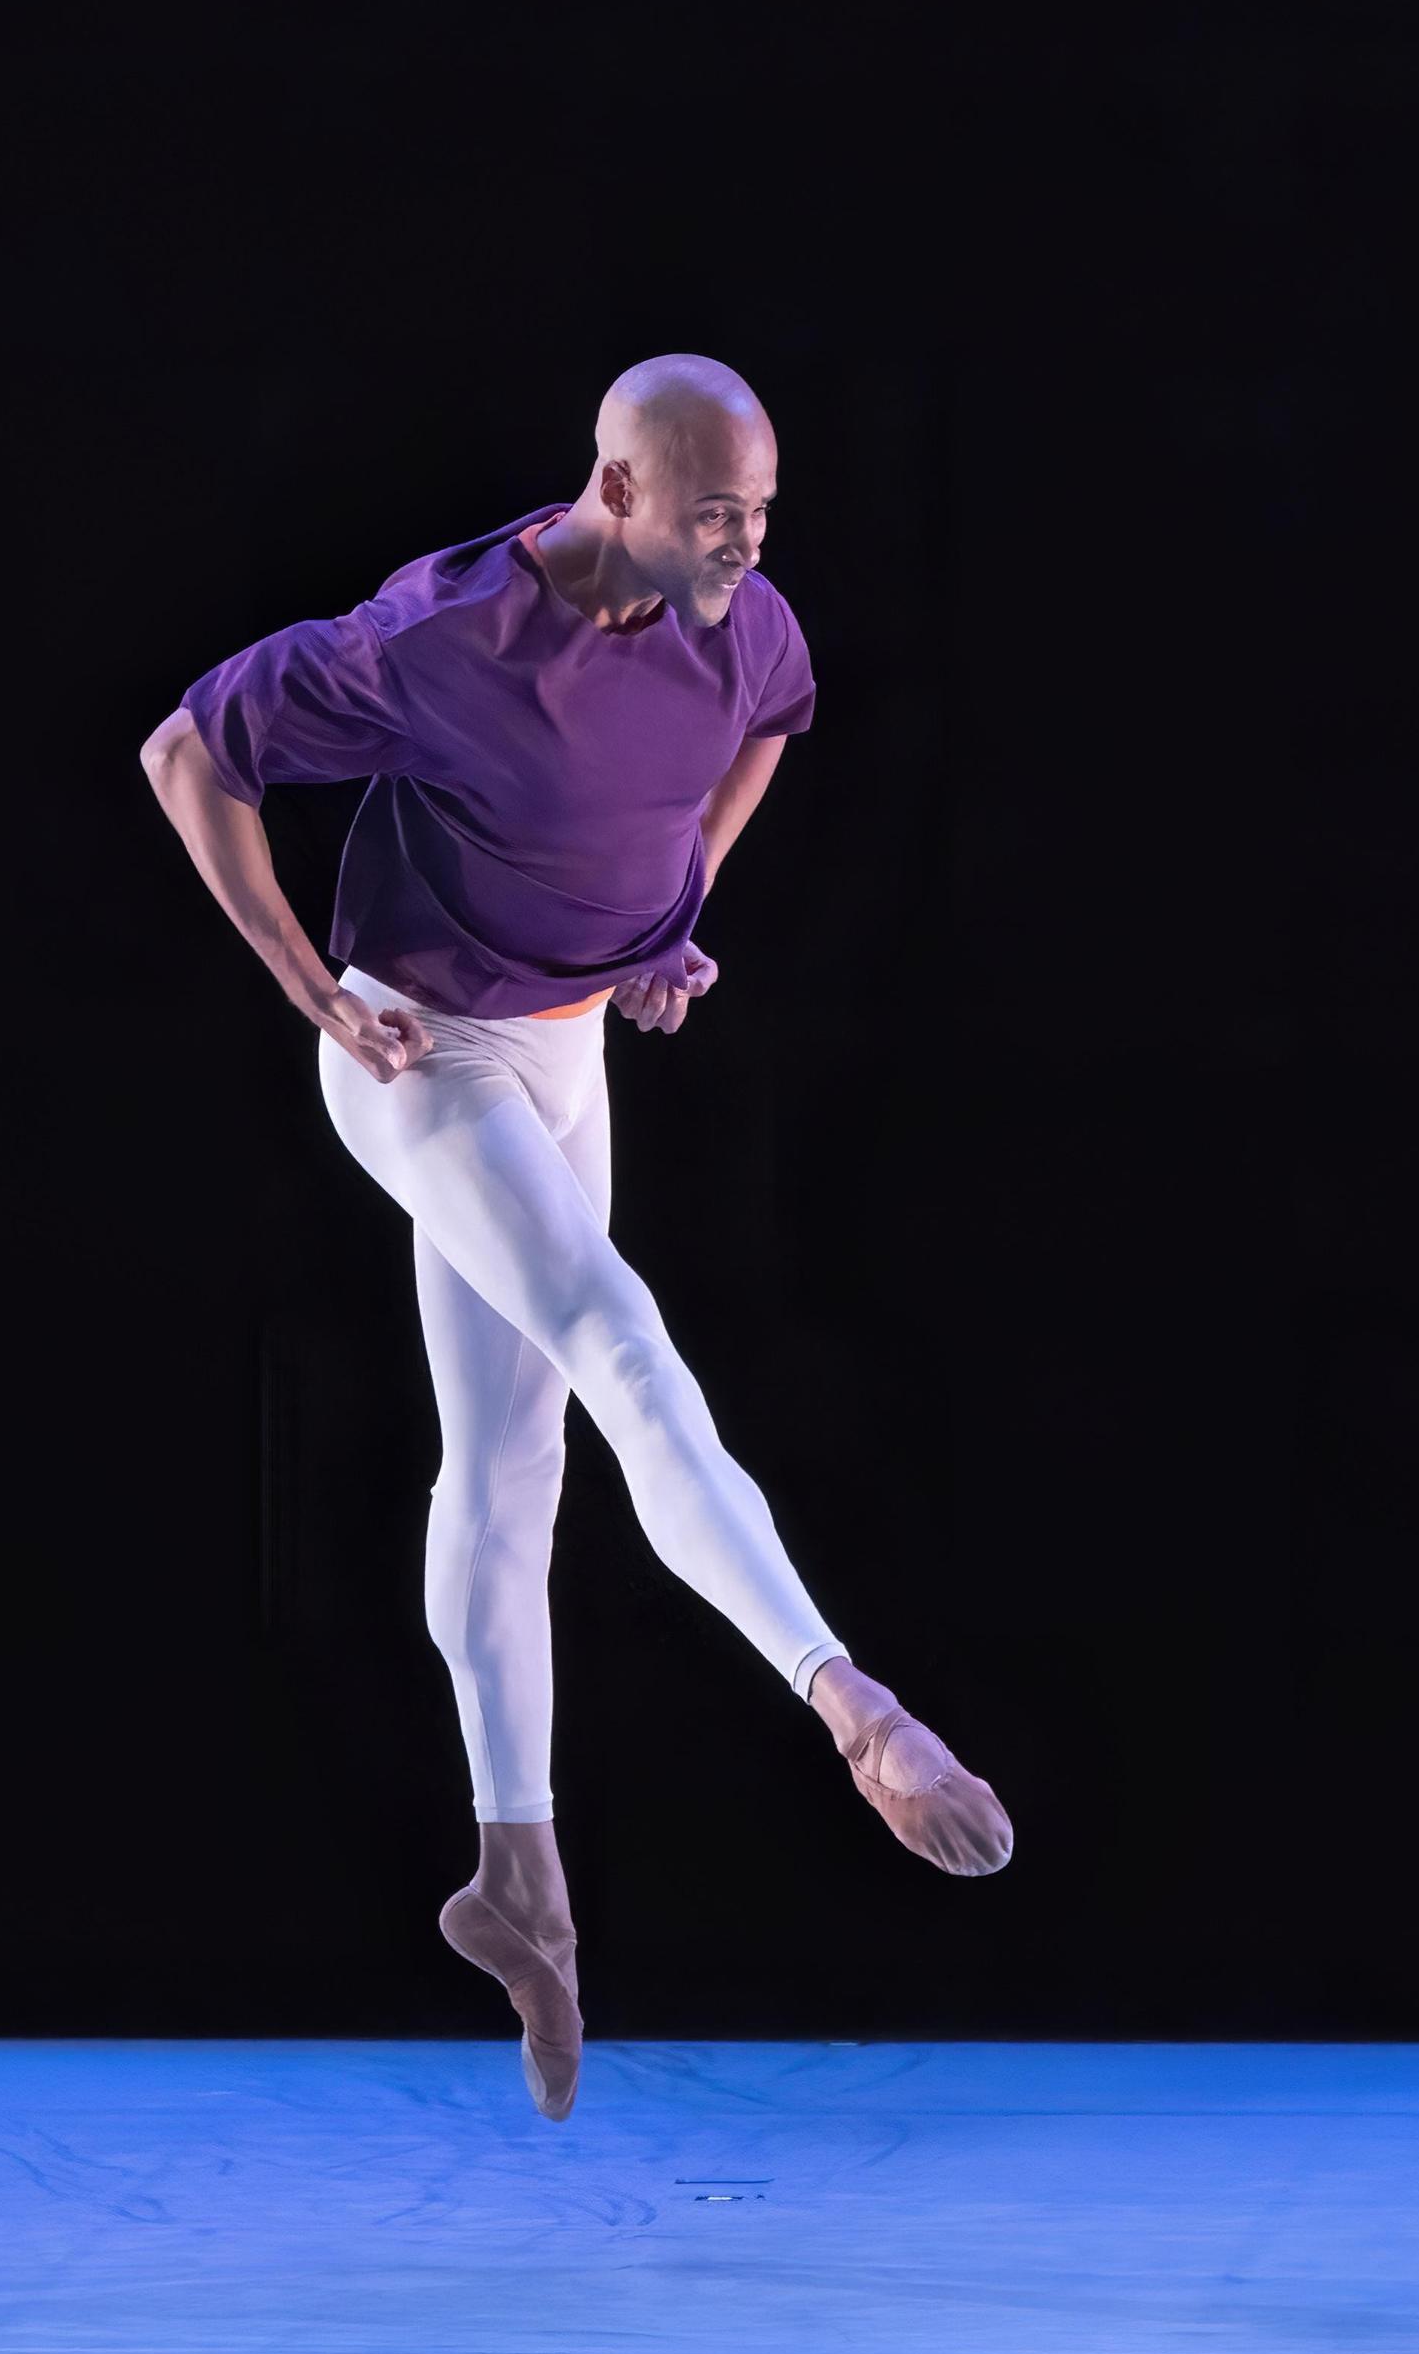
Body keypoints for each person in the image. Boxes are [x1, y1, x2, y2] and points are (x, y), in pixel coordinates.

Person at [139, 354, 1011, 2123]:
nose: (747, 545)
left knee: (511, 1461)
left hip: (567, 1050)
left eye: (763, 513)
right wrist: (311, 990)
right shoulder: (434, 639)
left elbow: (774, 718)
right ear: (613, 489)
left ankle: (515, 1876)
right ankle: (848, 1700)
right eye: (713, 513)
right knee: (618, 1340)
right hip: (423, 1053)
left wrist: (675, 907)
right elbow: (185, 751)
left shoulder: (740, 619)